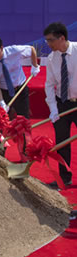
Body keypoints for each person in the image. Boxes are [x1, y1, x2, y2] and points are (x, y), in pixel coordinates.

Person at [44, 22, 76, 188]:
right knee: (62, 142)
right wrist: (53, 109)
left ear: (62, 38)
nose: (48, 44)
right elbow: (49, 84)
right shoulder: (52, 58)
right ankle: (64, 178)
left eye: (51, 40)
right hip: (61, 103)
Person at [0, 36, 40, 118]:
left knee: (23, 119)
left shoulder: (14, 51)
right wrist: (2, 102)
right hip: (4, 92)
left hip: (21, 89)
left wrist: (35, 66)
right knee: (2, 121)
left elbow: (31, 49)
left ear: (1, 48)